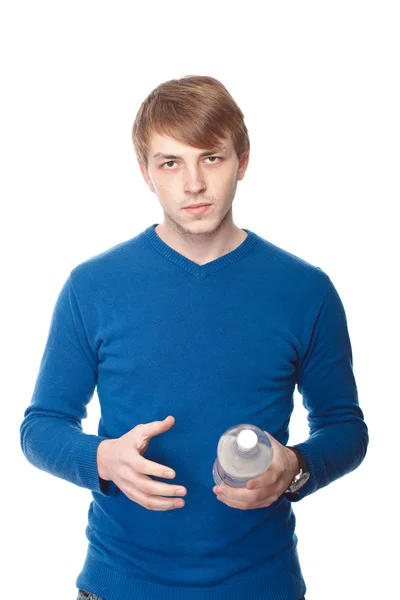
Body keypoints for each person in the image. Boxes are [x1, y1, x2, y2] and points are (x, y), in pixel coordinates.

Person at [20, 75, 368, 600]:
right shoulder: (91, 286)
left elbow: (345, 427)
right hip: (118, 586)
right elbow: (41, 426)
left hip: (262, 587)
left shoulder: (305, 291)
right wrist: (103, 460)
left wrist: (296, 468)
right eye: (170, 163)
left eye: (211, 158)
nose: (193, 184)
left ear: (242, 161)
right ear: (146, 173)